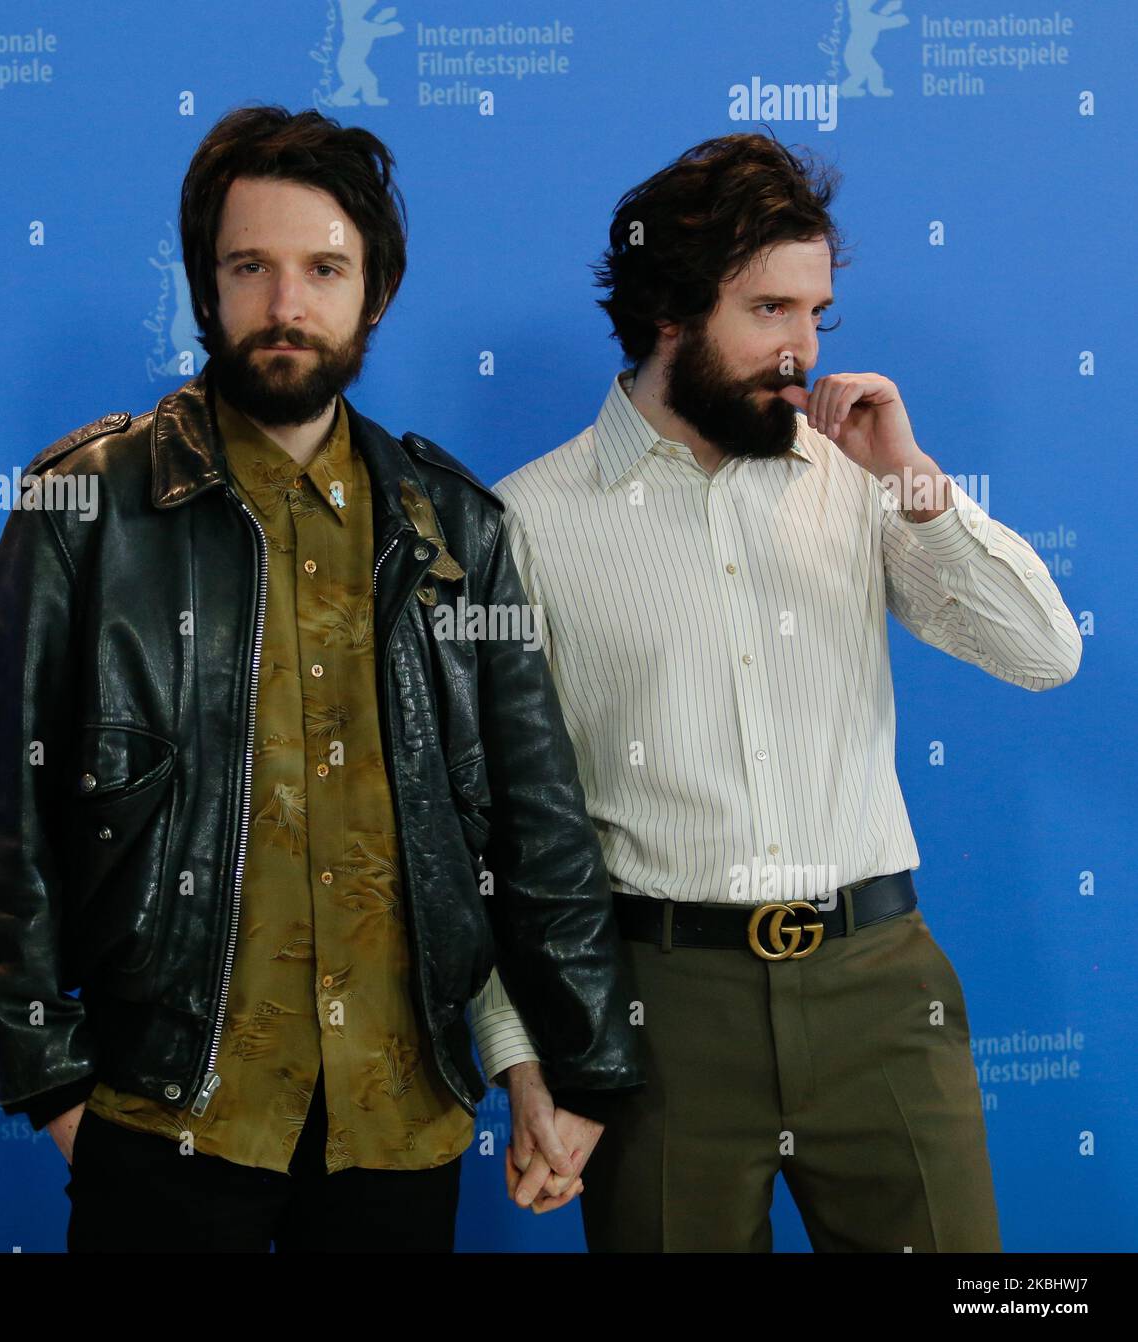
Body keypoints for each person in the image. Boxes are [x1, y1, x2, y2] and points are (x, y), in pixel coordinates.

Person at [0, 103, 643, 1254]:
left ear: (375, 289)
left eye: (323, 268)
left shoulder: (460, 526)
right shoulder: (85, 504)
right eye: (249, 267)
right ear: (205, 287)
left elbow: (537, 814)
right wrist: (56, 1090)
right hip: (163, 1112)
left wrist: (582, 1063)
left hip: (397, 1118)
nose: (285, 307)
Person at [468, 130, 1082, 1251]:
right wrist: (523, 1057)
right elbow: (496, 827)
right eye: (767, 312)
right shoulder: (523, 524)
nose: (803, 350)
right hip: (657, 1013)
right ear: (668, 313)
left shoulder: (857, 476)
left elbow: (1043, 653)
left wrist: (907, 476)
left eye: (816, 314)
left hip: (881, 994)